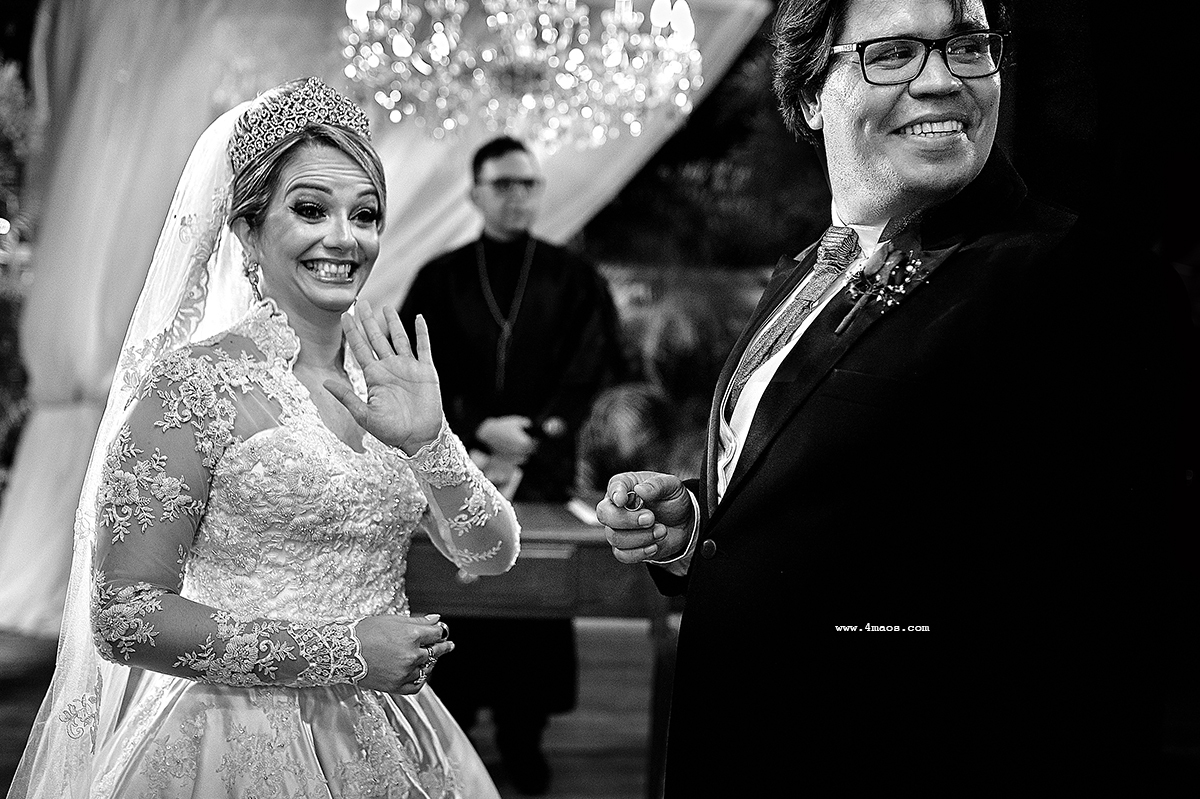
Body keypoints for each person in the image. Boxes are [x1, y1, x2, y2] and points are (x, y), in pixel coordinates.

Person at [597, 0, 1196, 795]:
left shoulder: (1084, 283)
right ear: (813, 93)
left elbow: (1103, 628)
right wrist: (701, 529)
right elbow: (870, 504)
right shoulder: (801, 273)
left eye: (967, 46)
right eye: (896, 53)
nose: (944, 80)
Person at [7, 77, 521, 799]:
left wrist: (430, 441)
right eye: (310, 209)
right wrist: (341, 652)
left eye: (365, 214)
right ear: (248, 230)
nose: (344, 238)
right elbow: (124, 616)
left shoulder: (390, 376)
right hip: (229, 737)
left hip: (395, 735)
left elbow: (490, 553)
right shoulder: (190, 390)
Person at [398, 136, 625, 794]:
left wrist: (540, 431)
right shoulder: (440, 277)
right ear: (475, 194)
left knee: (534, 599)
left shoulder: (573, 276)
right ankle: (456, 728)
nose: (517, 195)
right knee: (459, 605)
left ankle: (525, 736)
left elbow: (595, 366)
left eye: (528, 183)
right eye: (503, 184)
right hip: (455, 460)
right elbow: (417, 367)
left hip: (542, 467)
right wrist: (476, 428)